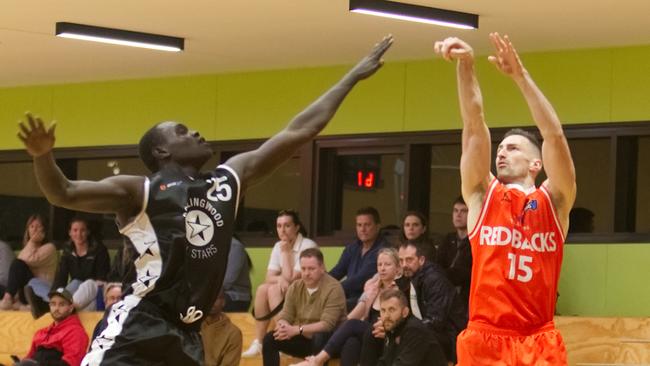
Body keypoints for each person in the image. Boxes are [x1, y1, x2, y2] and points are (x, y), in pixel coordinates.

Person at [17, 35, 393, 366]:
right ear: (162, 151)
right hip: (139, 323)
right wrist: (41, 156)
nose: (195, 131)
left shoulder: (227, 179)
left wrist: (352, 77)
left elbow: (298, 131)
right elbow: (62, 192)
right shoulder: (139, 190)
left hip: (186, 335)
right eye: (182, 131)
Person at [434, 33, 576, 364]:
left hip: (538, 338)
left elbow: (554, 135)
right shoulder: (483, 196)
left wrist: (520, 77)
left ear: (536, 163)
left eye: (512, 148)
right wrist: (466, 66)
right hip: (485, 337)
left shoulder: (554, 201)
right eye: (500, 148)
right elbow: (474, 124)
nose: (501, 153)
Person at [290, 247, 405, 366]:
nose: (382, 268)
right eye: (379, 264)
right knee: (351, 342)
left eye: (387, 264)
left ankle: (317, 360)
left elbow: (406, 320)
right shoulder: (373, 289)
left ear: (397, 269)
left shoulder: (401, 290)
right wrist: (342, 327)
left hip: (387, 334)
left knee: (351, 325)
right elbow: (359, 311)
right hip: (369, 334)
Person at [243, 210, 317, 358]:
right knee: (263, 289)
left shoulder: (308, 245)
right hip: (288, 291)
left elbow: (292, 278)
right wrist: (279, 279)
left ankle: (285, 339)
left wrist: (287, 254)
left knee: (273, 290)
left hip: (308, 293)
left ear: (296, 227)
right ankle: (259, 342)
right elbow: (269, 276)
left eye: (287, 225)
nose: (282, 230)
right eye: (279, 226)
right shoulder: (279, 245)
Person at [262, 248, 346, 366]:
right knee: (270, 339)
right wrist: (283, 325)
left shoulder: (334, 288)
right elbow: (286, 315)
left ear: (322, 268)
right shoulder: (295, 287)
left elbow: (327, 325)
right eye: (303, 269)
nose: (306, 273)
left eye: (311, 269)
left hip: (330, 344)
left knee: (320, 336)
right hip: (304, 339)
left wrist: (297, 330)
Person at [27, 217, 111, 318]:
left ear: (88, 232)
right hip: (72, 293)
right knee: (34, 282)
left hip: (90, 294)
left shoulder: (99, 250)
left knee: (76, 282)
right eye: (75, 230)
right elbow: (61, 277)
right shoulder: (68, 251)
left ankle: (48, 305)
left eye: (82, 230)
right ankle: (52, 302)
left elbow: (101, 279)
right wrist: (54, 294)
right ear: (70, 233)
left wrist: (61, 293)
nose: (79, 234)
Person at [330, 207, 388, 310]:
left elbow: (359, 280)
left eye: (367, 225)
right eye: (359, 225)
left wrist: (331, 290)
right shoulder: (352, 248)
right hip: (348, 297)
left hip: (368, 301)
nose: (362, 229)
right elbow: (337, 271)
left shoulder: (382, 250)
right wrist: (320, 282)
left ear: (378, 227)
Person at [0, 215, 57, 312]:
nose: (35, 229)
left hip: (38, 291)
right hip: (25, 291)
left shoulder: (50, 248)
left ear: (44, 230)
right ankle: (15, 302)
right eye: (32, 226)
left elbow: (27, 259)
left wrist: (32, 241)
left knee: (18, 264)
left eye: (38, 226)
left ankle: (8, 299)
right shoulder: (29, 248)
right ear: (28, 230)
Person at [18, 287, 89, 366]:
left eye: (62, 304)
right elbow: (29, 358)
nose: (56, 308)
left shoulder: (76, 332)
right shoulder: (41, 332)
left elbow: (70, 363)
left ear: (71, 308)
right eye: (53, 304)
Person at [376, 289, 446, 366]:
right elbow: (385, 361)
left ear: (405, 312)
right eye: (383, 310)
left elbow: (404, 364)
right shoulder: (392, 327)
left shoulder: (415, 330)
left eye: (391, 310)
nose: (386, 316)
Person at [436, 196, 472, 311]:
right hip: (445, 296)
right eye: (455, 211)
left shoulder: (476, 241)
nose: (458, 215)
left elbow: (465, 272)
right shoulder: (448, 238)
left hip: (466, 300)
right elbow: (437, 266)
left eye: (463, 211)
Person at [201, 290, 243, 366]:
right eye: (208, 298)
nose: (211, 302)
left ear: (223, 302)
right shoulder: (192, 327)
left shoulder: (233, 333)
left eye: (216, 298)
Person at [222, 235, 252, 312]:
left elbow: (226, 282)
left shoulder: (235, 246)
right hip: (216, 294)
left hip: (235, 296)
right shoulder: (208, 248)